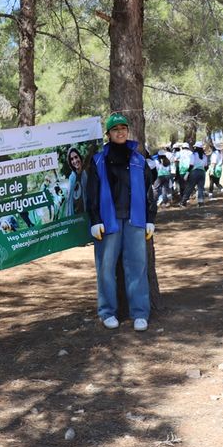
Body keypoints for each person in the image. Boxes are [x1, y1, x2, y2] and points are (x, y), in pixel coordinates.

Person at [86, 113, 156, 332]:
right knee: (106, 267)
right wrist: (95, 220)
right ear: (108, 133)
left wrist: (151, 219)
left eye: (123, 128)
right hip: (108, 222)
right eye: (115, 129)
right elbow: (91, 193)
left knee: (137, 266)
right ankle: (107, 311)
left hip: (135, 220)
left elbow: (149, 191)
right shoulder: (98, 160)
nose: (120, 132)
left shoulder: (139, 159)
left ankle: (140, 313)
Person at [179, 141, 207, 207]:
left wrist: (187, 173)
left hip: (194, 172)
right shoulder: (204, 156)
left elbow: (191, 165)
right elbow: (206, 166)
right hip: (202, 173)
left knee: (189, 187)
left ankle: (183, 202)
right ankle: (200, 202)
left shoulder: (193, 155)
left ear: (196, 147)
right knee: (200, 188)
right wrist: (203, 172)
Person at [65, 147, 84, 216]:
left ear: (80, 157)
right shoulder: (72, 178)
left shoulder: (87, 173)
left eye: (76, 157)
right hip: (77, 216)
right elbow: (69, 199)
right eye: (72, 159)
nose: (75, 161)